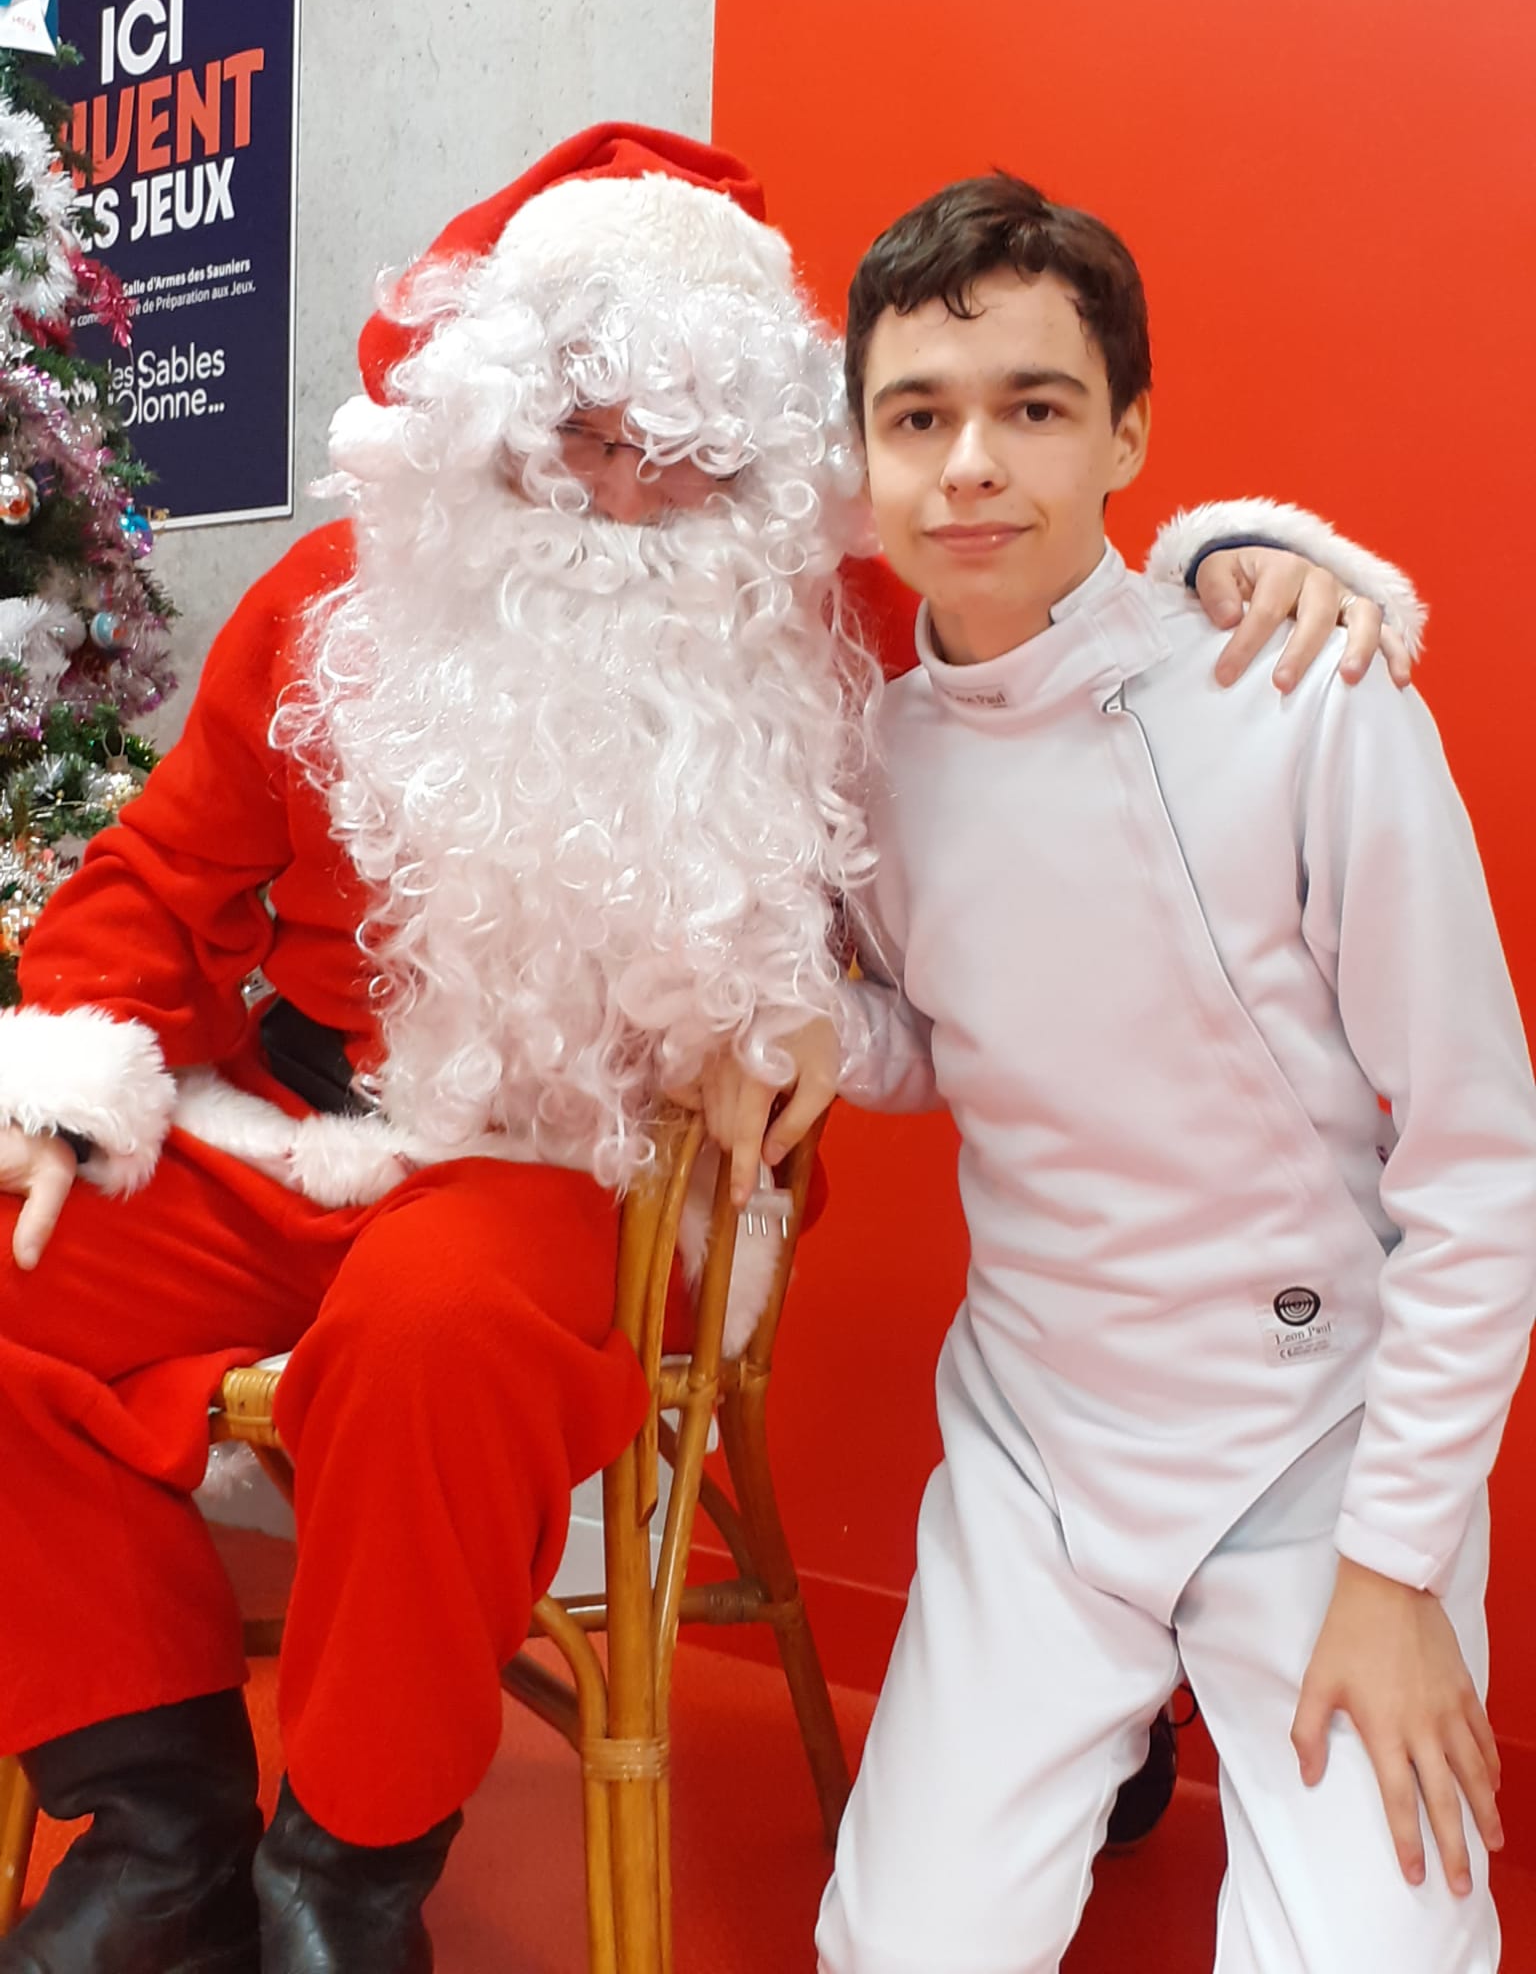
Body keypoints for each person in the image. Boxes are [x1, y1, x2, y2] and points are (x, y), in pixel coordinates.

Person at [0, 124, 1408, 1974]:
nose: (628, 494)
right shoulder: (337, 603)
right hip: (294, 1128)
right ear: (495, 419)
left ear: (761, 451)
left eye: (686, 445)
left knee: (436, 1337)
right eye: (586, 435)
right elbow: (159, 874)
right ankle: (153, 1824)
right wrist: (66, 1080)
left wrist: (1245, 567)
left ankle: (341, 1872)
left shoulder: (832, 620)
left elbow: (1065, 639)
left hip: (591, 1165)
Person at [747, 173, 1536, 1974]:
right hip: (1040, 1441)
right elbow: (947, 1036)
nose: (970, 467)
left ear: (1128, 435)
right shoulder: (871, 755)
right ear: (864, 453)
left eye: (1033, 407)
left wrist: (1399, 1567)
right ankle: (1101, 1716)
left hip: (1313, 1444)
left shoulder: (1307, 688)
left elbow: (1482, 1165)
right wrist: (816, 1032)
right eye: (917, 419)